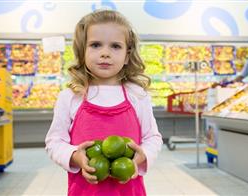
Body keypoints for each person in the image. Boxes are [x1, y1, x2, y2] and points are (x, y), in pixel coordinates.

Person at [45, 10, 163, 196]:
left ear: (127, 55)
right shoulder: (71, 96)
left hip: (129, 191)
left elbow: (153, 138)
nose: (105, 53)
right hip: (84, 191)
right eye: (96, 45)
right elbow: (54, 141)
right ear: (82, 51)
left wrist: (141, 157)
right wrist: (75, 156)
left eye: (115, 46)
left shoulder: (137, 95)